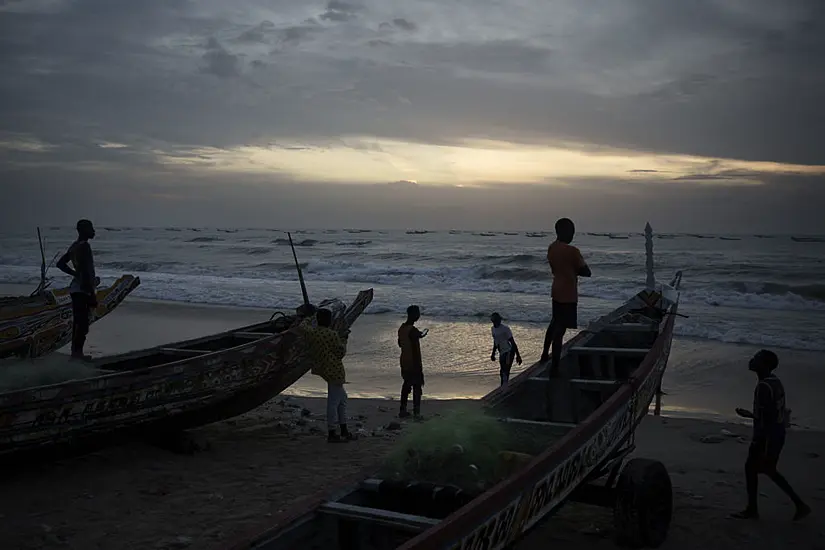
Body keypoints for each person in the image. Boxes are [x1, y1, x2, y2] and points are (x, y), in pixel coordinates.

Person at [732, 349, 810, 521]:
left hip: (766, 437)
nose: (752, 360)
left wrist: (759, 441)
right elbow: (775, 413)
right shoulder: (776, 382)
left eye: (757, 359)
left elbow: (765, 419)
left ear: (765, 365)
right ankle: (798, 504)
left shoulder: (763, 387)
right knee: (768, 470)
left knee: (754, 469)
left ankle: (753, 510)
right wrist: (751, 415)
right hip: (777, 434)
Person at [540, 218, 591, 376]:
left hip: (556, 289)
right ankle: (555, 365)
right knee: (560, 331)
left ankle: (544, 354)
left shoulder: (552, 248)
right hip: (568, 293)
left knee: (554, 322)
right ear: (566, 232)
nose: (572, 235)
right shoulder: (572, 251)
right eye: (571, 232)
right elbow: (586, 271)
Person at [304, 308, 355, 443]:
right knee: (334, 402)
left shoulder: (313, 333)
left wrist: (310, 317)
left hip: (324, 369)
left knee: (342, 399)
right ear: (329, 320)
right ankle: (332, 432)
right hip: (335, 370)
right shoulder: (332, 334)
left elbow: (302, 327)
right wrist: (344, 339)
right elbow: (340, 353)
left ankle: (343, 430)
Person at [56, 219, 100, 361]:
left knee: (78, 322)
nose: (93, 231)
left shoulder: (74, 246)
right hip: (83, 290)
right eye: (90, 228)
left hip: (76, 288)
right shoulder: (85, 246)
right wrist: (92, 294)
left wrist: (75, 274)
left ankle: (75, 353)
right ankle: (77, 354)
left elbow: (60, 264)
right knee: (82, 324)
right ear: (83, 230)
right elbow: (86, 272)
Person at [398, 305, 427, 418]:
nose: (419, 315)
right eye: (417, 313)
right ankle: (416, 413)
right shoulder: (413, 331)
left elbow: (400, 343)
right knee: (417, 387)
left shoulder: (402, 329)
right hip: (413, 363)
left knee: (406, 385)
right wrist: (419, 367)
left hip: (404, 361)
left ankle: (402, 409)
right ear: (413, 315)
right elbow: (416, 342)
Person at [490, 312, 522, 386]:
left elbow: (512, 342)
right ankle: (504, 385)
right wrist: (493, 353)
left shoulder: (505, 329)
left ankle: (504, 386)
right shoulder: (493, 329)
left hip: (509, 351)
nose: (498, 321)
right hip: (502, 352)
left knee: (505, 370)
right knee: (502, 371)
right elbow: (495, 342)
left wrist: (518, 356)